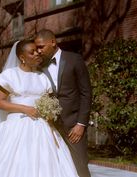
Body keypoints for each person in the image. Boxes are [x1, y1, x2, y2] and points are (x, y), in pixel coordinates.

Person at [0, 39, 79, 177]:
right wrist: (25, 109)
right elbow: (0, 103)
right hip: (16, 126)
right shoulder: (10, 75)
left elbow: (49, 102)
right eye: (32, 52)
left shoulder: (42, 77)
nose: (37, 53)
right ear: (22, 58)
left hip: (42, 127)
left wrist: (50, 117)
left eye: (37, 50)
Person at [35, 29, 92, 177]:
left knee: (80, 166)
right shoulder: (39, 67)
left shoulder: (74, 59)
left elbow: (86, 93)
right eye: (37, 48)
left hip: (74, 127)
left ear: (53, 42)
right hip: (50, 128)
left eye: (41, 47)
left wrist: (81, 124)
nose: (39, 51)